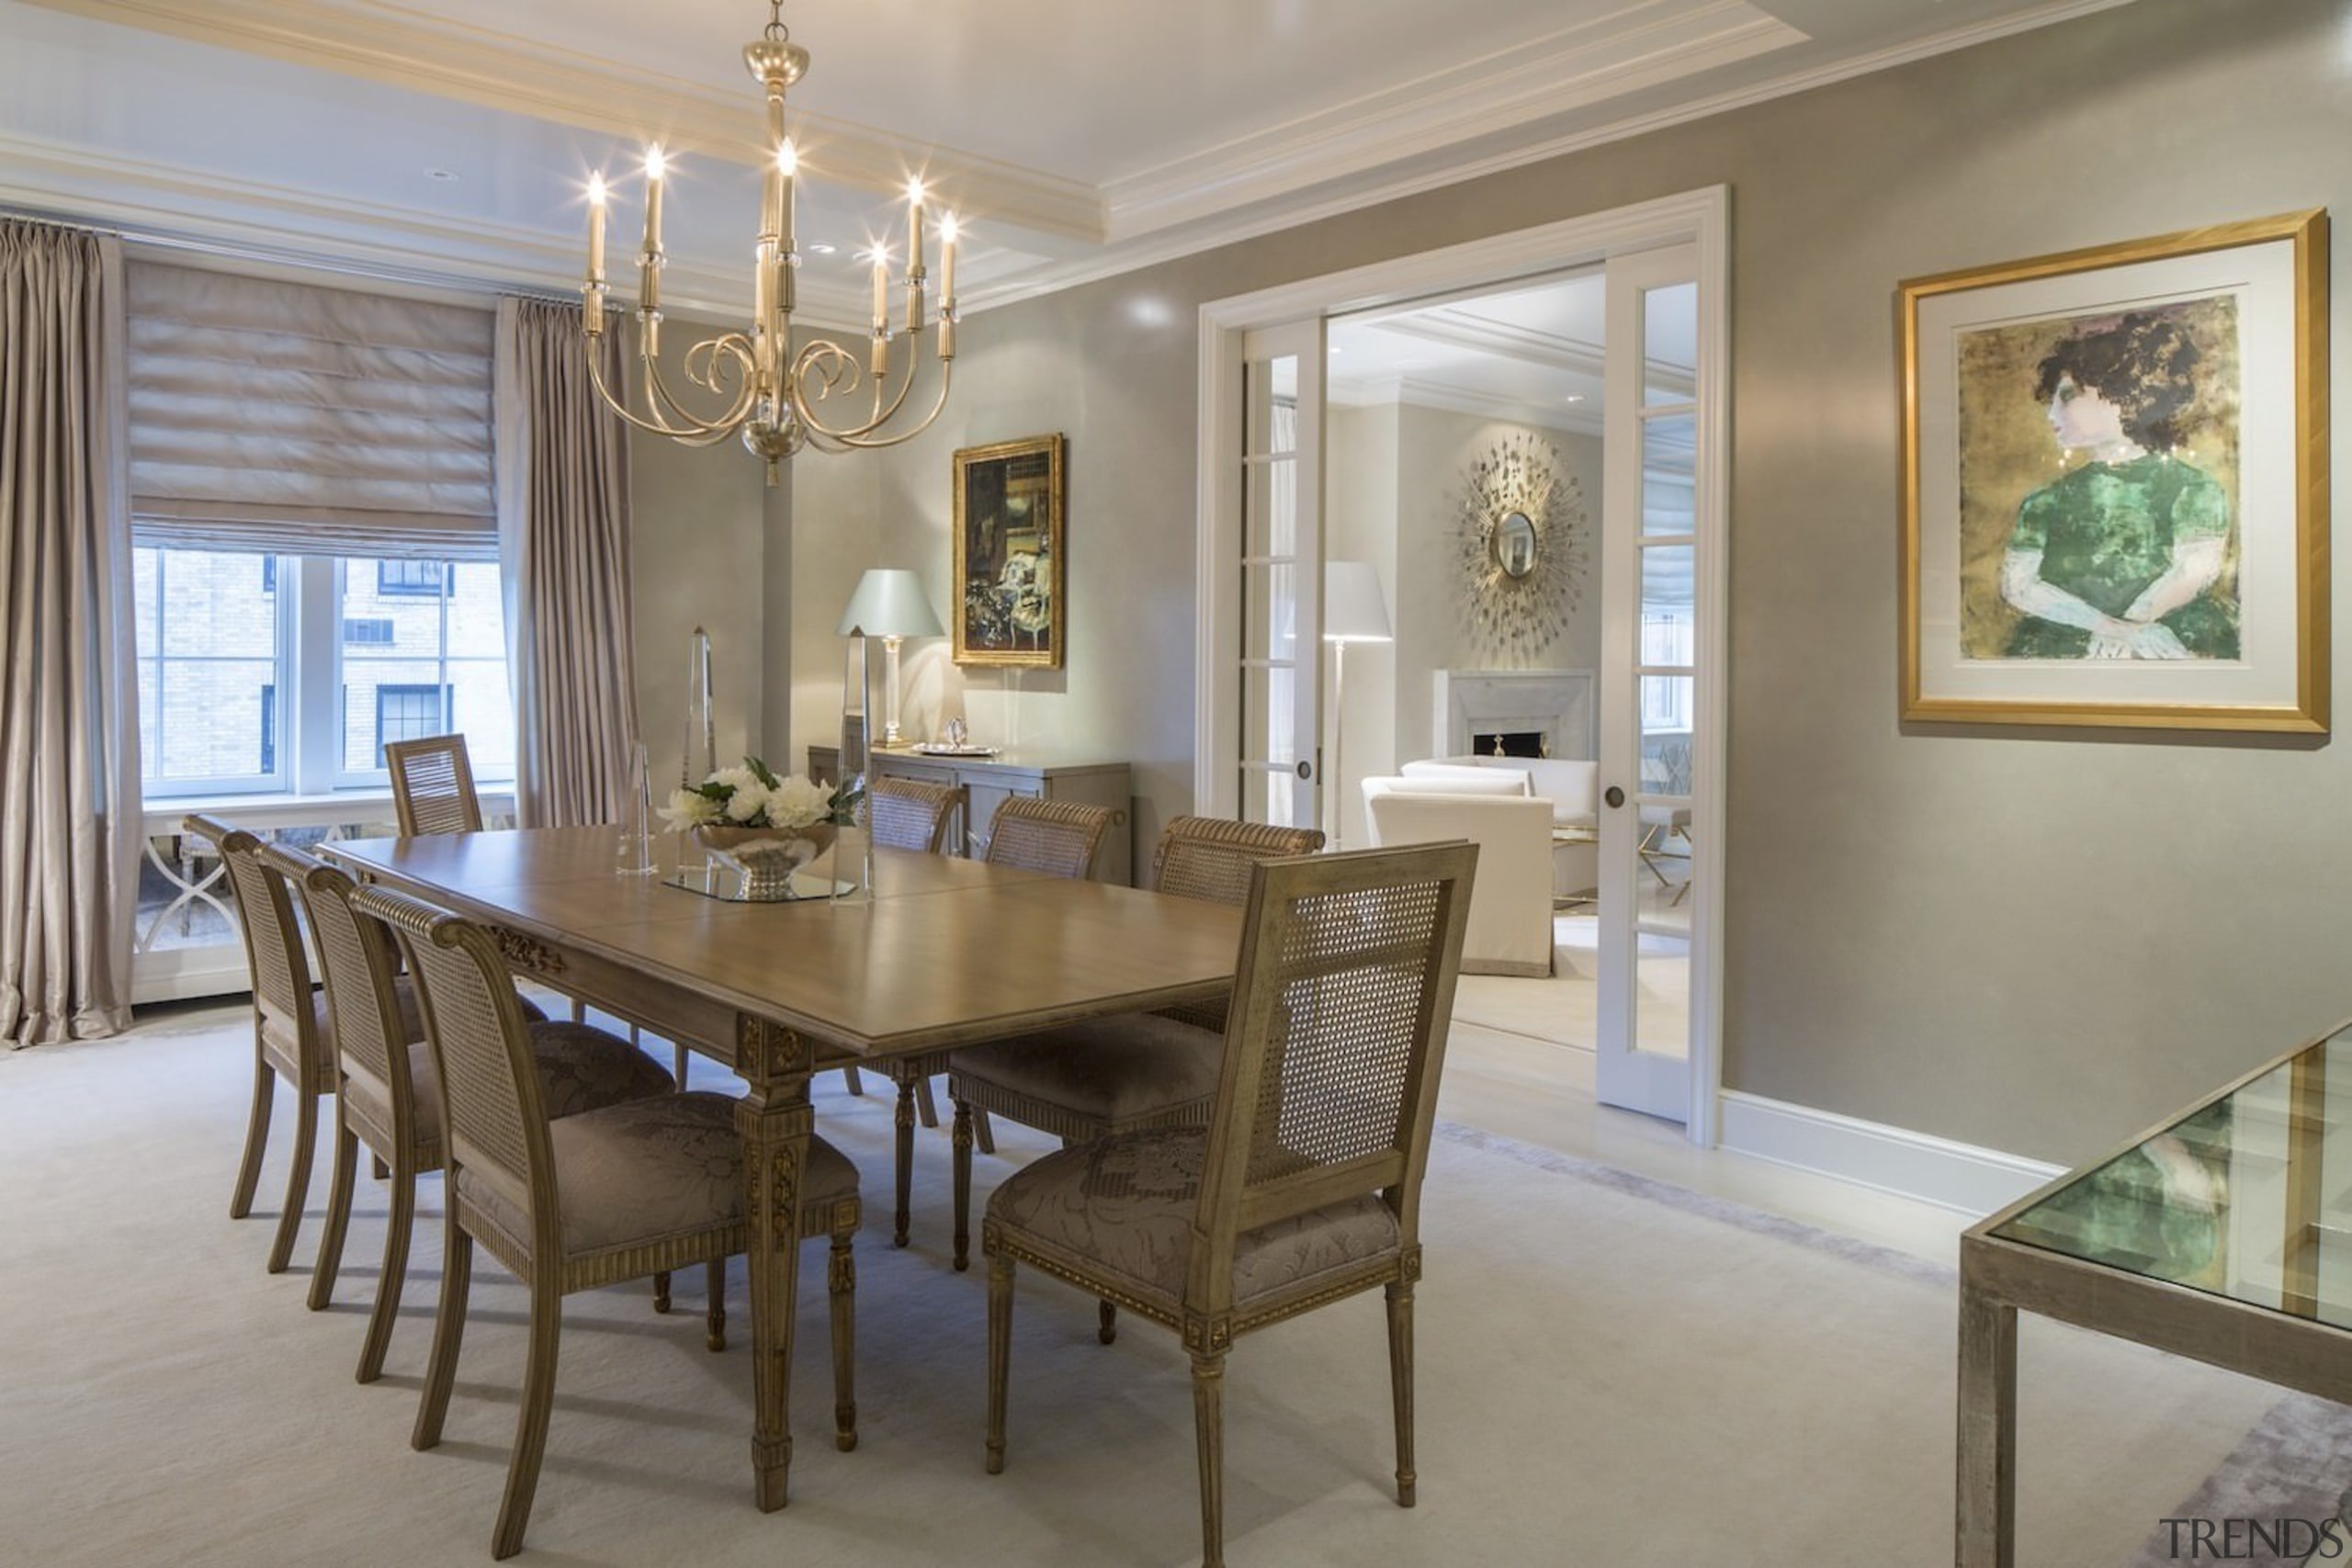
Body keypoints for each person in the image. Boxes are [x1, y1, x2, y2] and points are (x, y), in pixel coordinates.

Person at [1997, 310, 2236, 659]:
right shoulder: (2044, 500)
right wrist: (2114, 630)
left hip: (2170, 640)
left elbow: (2195, 570)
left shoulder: (2193, 488)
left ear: (2120, 394)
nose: (2051, 414)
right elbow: (2018, 586)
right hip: (2066, 642)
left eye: (2067, 396)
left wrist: (2137, 623)